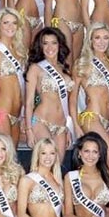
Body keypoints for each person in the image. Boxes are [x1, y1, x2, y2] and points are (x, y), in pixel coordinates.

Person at [70, 22, 109, 172]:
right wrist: (76, 125)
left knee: (103, 168)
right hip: (92, 118)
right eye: (97, 38)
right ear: (90, 40)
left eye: (106, 38)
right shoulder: (82, 64)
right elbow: (72, 99)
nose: (101, 42)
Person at [25, 27, 73, 163]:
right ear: (40, 46)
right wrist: (29, 130)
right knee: (46, 163)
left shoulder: (65, 68)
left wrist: (68, 128)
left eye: (54, 43)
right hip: (41, 122)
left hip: (61, 126)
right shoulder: (35, 68)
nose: (49, 47)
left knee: (57, 167)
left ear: (59, 45)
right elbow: (29, 102)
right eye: (45, 43)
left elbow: (68, 102)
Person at [0, 8, 27, 147]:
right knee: (4, 153)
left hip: (17, 114)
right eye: (6, 22)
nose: (10, 26)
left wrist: (24, 115)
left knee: (12, 156)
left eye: (14, 23)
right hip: (1, 112)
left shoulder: (20, 50)